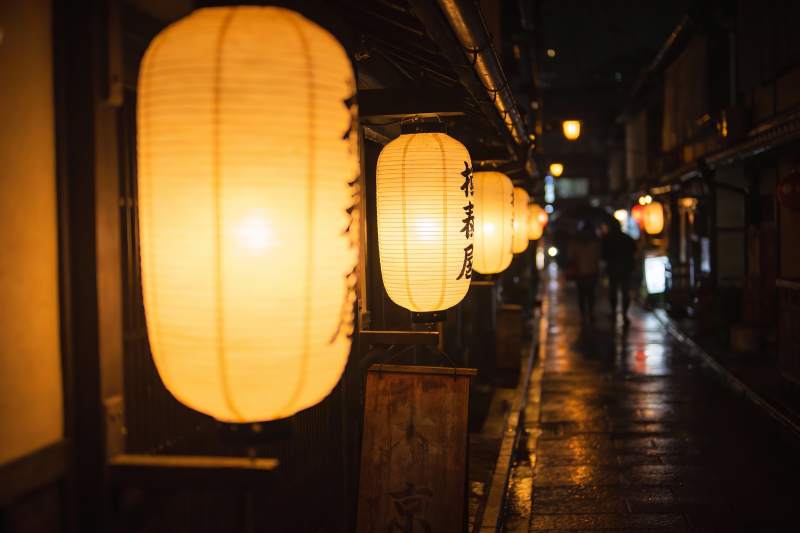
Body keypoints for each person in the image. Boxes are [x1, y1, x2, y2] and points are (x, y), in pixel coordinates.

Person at [603, 221, 637, 323]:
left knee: (613, 291)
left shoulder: (609, 239)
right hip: (625, 268)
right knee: (625, 291)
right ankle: (624, 314)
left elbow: (604, 255)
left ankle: (614, 312)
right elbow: (634, 251)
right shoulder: (627, 238)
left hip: (613, 269)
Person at [568, 223, 601, 322]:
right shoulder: (594, 244)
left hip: (586, 272)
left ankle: (587, 314)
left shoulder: (579, 244)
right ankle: (587, 314)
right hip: (586, 272)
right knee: (587, 294)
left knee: (585, 294)